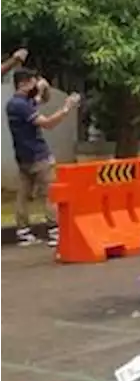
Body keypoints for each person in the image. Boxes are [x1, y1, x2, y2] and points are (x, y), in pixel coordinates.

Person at [7, 69, 80, 248]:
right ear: (23, 84)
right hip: (38, 156)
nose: (34, 86)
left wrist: (42, 89)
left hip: (23, 156)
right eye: (32, 82)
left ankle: (23, 232)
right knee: (51, 193)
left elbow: (40, 100)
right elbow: (47, 123)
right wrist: (67, 107)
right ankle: (55, 231)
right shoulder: (21, 105)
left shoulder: (16, 103)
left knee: (23, 195)